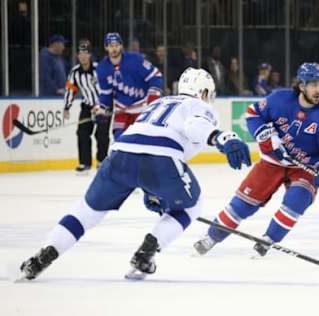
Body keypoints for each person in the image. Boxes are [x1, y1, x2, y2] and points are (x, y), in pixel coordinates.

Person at [18, 68, 252, 281]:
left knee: (86, 212)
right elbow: (194, 126)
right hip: (160, 159)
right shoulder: (201, 107)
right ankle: (146, 252)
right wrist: (221, 137)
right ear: (202, 92)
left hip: (120, 154)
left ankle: (44, 254)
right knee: (192, 205)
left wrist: (149, 189)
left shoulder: (156, 104)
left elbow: (140, 143)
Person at [193, 63, 319, 257]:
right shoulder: (279, 99)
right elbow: (253, 114)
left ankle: (268, 240)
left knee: (297, 200)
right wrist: (265, 136)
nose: (318, 90)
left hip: (304, 167)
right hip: (271, 162)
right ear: (301, 85)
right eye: (313, 85)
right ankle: (210, 238)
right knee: (242, 205)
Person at [93, 32, 163, 140]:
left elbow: (156, 76)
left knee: (141, 142)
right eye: (111, 46)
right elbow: (106, 95)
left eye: (116, 45)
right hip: (122, 111)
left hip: (141, 109)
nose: (114, 49)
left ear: (121, 46)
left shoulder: (135, 59)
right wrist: (102, 110)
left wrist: (153, 96)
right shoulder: (102, 69)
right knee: (119, 141)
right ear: (106, 47)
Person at [63, 39, 111, 173]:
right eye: (80, 53)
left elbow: (108, 87)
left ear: (90, 55)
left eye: (85, 53)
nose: (83, 56)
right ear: (78, 56)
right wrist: (67, 107)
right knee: (82, 133)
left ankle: (102, 160)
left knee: (101, 134)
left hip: (103, 107)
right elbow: (70, 89)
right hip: (87, 106)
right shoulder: (75, 72)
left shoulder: (99, 69)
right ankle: (85, 163)